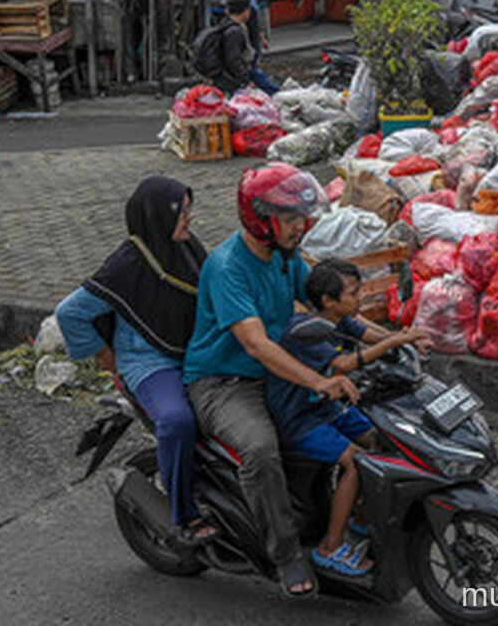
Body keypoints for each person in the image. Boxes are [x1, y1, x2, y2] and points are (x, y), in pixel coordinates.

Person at [184, 162, 355, 598]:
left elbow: (327, 308)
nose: (303, 225)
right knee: (261, 448)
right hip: (224, 382)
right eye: (292, 218)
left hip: (275, 372)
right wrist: (318, 382)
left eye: (303, 215)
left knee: (355, 418)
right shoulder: (227, 267)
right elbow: (256, 345)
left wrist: (396, 340)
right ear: (261, 219)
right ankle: (285, 553)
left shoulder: (287, 260)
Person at [56, 177, 217, 546]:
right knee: (177, 421)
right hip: (148, 362)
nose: (189, 218)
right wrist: (107, 359)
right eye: (182, 211)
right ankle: (184, 516)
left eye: (190, 209)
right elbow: (70, 313)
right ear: (157, 215)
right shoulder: (127, 263)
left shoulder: (186, 248)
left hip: (193, 351)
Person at [268, 260, 431, 577]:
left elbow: (370, 333)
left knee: (386, 439)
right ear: (328, 300)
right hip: (301, 419)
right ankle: (329, 547)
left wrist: (407, 338)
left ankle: (358, 516)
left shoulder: (339, 319)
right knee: (355, 463)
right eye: (353, 293)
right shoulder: (307, 331)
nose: (360, 299)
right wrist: (393, 342)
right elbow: (343, 364)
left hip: (330, 407)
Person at [233, 0, 278, 94]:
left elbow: (252, 27)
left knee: (251, 71)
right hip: (251, 43)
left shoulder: (247, 5)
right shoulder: (249, 2)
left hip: (250, 44)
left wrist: (258, 40)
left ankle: (273, 91)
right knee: (250, 70)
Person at [209, 0, 253, 94]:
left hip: (224, 78)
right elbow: (233, 60)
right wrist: (245, 80)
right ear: (245, 11)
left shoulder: (226, 24)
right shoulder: (234, 31)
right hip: (231, 81)